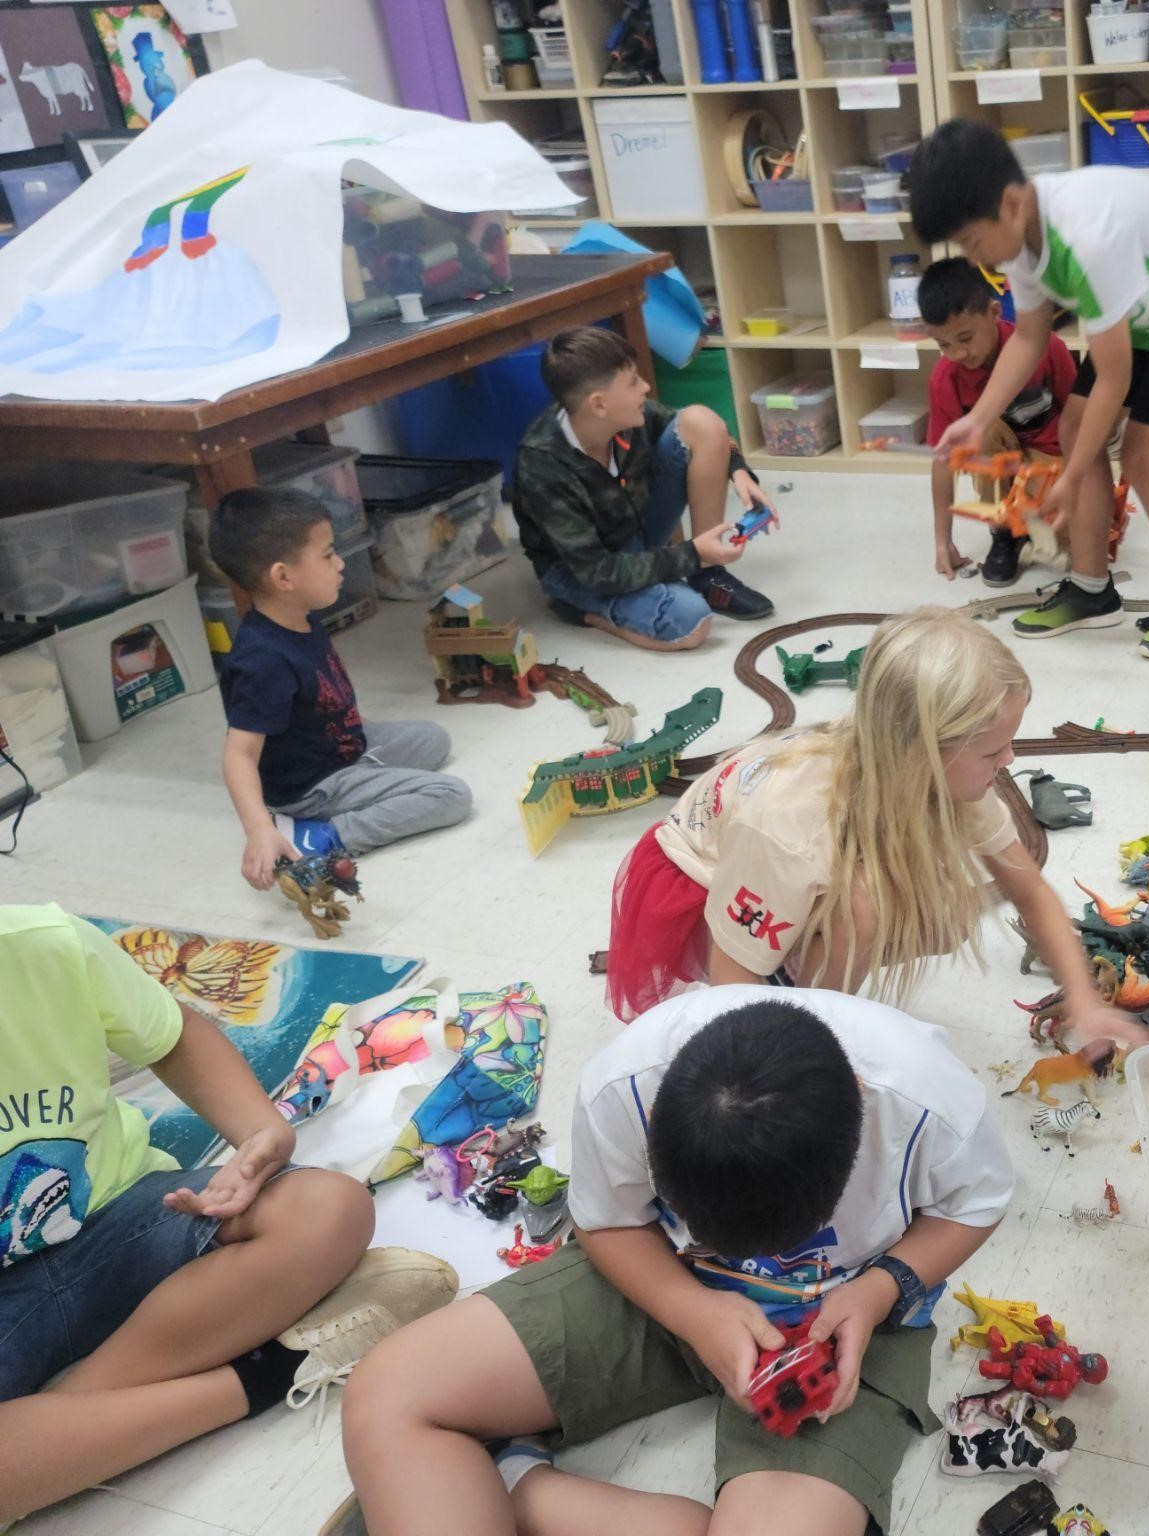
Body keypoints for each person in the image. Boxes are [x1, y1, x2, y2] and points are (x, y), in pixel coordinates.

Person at [335, 989, 1016, 1536]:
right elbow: (607, 1223)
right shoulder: (624, 1086)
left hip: (849, 1322)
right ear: (657, 1116)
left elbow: (978, 1204)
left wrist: (879, 1289)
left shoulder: (930, 1103)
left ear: (862, 1118)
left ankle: (519, 1489)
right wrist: (692, 1309)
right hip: (665, 1279)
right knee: (388, 1393)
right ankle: (504, 1484)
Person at [0, 902, 455, 1524]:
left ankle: (67, 1421)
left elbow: (176, 1033)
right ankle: (268, 1372)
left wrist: (260, 1133)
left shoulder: (40, 942)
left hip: (117, 1216)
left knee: (328, 1209)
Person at [607, 606, 1145, 1048]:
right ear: (922, 754)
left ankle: (819, 986)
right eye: (991, 751)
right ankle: (816, 1030)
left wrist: (1084, 1001)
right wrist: (801, 1067)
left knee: (941, 912)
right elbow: (732, 984)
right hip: (699, 888)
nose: (1009, 760)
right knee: (865, 907)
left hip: (781, 869)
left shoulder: (943, 773)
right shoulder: (788, 827)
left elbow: (1029, 889)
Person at [908, 119, 1149, 661]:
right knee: (1072, 426)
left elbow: (1113, 379)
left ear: (1012, 203)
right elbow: (1030, 336)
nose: (974, 259)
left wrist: (1068, 476)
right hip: (1145, 303)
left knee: (1143, 457)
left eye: (972, 241)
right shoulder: (1019, 240)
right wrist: (979, 418)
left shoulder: (1087, 234)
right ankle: (1092, 590)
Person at [215, 487, 472, 885]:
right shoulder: (261, 662)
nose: (340, 564)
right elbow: (239, 755)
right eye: (327, 555)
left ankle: (366, 787)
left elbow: (322, 698)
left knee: (434, 739)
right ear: (284, 576)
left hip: (342, 747)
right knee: (451, 796)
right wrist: (258, 829)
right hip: (315, 785)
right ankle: (320, 836)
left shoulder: (300, 614)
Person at [511, 325, 774, 647]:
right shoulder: (543, 465)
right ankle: (580, 611)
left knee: (701, 421)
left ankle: (708, 575)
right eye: (633, 382)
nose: (646, 387)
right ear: (598, 404)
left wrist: (740, 472)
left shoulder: (626, 417)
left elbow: (707, 432)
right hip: (586, 571)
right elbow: (598, 571)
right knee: (692, 626)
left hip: (632, 529)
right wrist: (690, 554)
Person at [920, 256, 1077, 588]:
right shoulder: (944, 379)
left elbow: (1079, 419)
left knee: (1069, 538)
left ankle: (1032, 521)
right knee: (983, 431)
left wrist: (1081, 484)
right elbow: (943, 463)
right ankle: (1004, 533)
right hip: (1000, 459)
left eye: (965, 338)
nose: (957, 353)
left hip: (1049, 458)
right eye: (944, 344)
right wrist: (941, 540)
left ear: (994, 312)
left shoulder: (1047, 347)